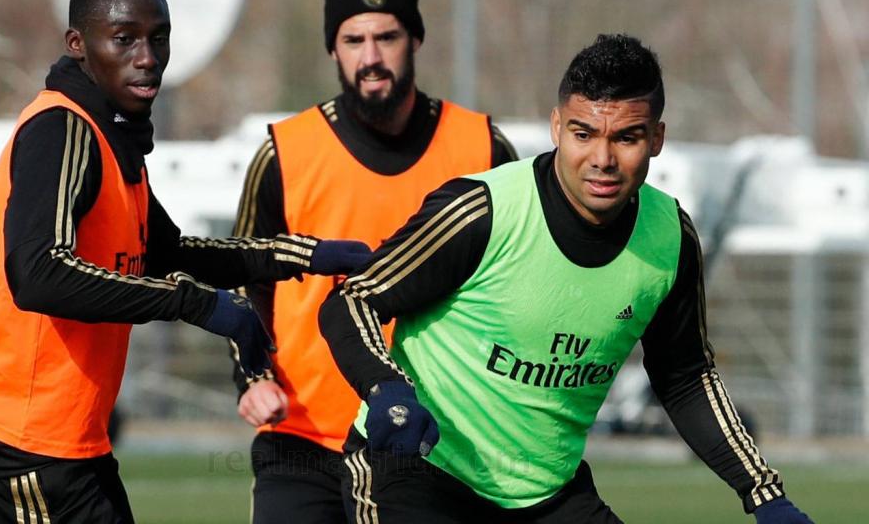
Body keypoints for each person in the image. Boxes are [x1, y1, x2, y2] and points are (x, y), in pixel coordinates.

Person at [0, 0, 368, 524]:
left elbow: (171, 254)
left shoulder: (114, 139)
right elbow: (38, 274)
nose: (148, 57)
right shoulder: (63, 129)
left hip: (64, 441)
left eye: (159, 38)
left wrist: (300, 255)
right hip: (9, 437)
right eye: (124, 39)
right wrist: (195, 303)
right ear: (78, 45)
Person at [318, 34, 814, 524]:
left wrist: (764, 493)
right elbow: (353, 300)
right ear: (557, 127)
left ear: (656, 139)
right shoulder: (482, 211)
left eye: (626, 138)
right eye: (583, 134)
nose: (602, 159)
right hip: (416, 475)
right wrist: (386, 389)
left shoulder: (670, 238)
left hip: (547, 495)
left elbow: (685, 378)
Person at [231, 0, 517, 524]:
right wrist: (253, 375)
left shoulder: (483, 149)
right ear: (332, 49)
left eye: (387, 37)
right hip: (303, 439)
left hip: (431, 444)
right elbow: (245, 279)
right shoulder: (285, 153)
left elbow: (512, 288)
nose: (371, 57)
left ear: (415, 39)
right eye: (353, 40)